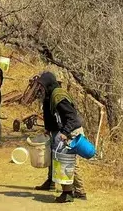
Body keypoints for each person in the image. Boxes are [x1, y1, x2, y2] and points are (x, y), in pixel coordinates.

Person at [34, 71, 87, 203]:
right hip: (66, 131)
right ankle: (70, 191)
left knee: (70, 163)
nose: (40, 88)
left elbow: (72, 118)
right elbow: (53, 115)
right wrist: (49, 129)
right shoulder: (51, 95)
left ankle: (78, 192)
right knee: (65, 162)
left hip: (72, 133)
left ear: (48, 84)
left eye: (42, 85)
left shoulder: (59, 97)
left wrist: (64, 132)